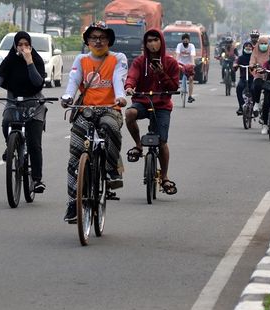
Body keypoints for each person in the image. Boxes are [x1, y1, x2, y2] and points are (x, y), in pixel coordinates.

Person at [60, 21, 127, 222]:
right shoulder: (81, 60)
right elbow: (73, 80)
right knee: (74, 157)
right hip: (86, 111)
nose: (98, 41)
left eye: (102, 37)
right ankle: (73, 203)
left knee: (110, 126)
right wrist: (67, 97)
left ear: (109, 40)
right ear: (87, 41)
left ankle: (112, 169)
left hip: (110, 109)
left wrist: (120, 97)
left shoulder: (118, 58)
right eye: (93, 37)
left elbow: (118, 79)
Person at [0, 31, 48, 194]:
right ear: (15, 46)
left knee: (34, 143)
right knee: (6, 122)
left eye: (26, 45)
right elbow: (0, 77)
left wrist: (29, 61)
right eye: (20, 45)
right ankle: (11, 145)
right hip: (14, 100)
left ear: (31, 46)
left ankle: (37, 179)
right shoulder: (9, 60)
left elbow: (38, 82)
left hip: (34, 102)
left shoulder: (36, 59)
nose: (23, 48)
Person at [124, 29, 179, 196]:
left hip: (162, 105)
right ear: (145, 44)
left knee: (161, 141)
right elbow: (132, 76)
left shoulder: (170, 63)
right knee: (129, 114)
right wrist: (129, 87)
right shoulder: (140, 61)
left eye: (155, 40)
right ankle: (139, 146)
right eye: (149, 41)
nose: (152, 44)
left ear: (161, 42)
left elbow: (174, 87)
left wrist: (161, 73)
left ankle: (164, 177)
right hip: (142, 101)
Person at [250, 35, 270, 125]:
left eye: (265, 44)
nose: (263, 45)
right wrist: (252, 65)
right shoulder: (255, 51)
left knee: (268, 98)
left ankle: (266, 118)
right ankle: (256, 103)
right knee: (256, 86)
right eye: (261, 43)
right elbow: (252, 61)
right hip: (258, 75)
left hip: (269, 77)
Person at [235, 41, 255, 116]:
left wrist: (255, 66)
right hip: (243, 78)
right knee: (239, 88)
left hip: (252, 78)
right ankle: (241, 106)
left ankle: (254, 107)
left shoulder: (254, 58)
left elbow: (258, 65)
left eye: (250, 46)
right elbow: (236, 63)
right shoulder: (241, 58)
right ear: (244, 48)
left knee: (253, 89)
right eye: (246, 46)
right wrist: (235, 65)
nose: (248, 47)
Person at [175, 33, 196, 103]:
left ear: (189, 41)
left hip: (189, 64)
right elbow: (177, 55)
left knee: (191, 79)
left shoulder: (192, 46)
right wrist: (176, 63)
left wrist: (193, 64)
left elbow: (192, 56)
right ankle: (176, 84)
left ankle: (190, 96)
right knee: (175, 69)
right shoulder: (179, 46)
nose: (185, 43)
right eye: (184, 41)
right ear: (182, 41)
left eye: (186, 41)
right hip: (181, 63)